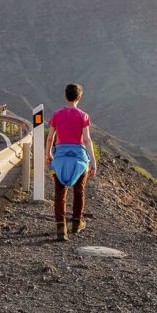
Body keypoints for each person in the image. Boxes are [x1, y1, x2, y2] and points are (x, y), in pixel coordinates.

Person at [44, 83, 97, 241]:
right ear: (79, 98)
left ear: (65, 96)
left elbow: (50, 138)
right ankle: (76, 223)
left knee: (60, 192)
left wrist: (48, 154)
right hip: (79, 159)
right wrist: (93, 161)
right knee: (79, 190)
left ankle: (61, 228)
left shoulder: (57, 114)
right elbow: (87, 140)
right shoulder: (83, 115)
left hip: (59, 158)